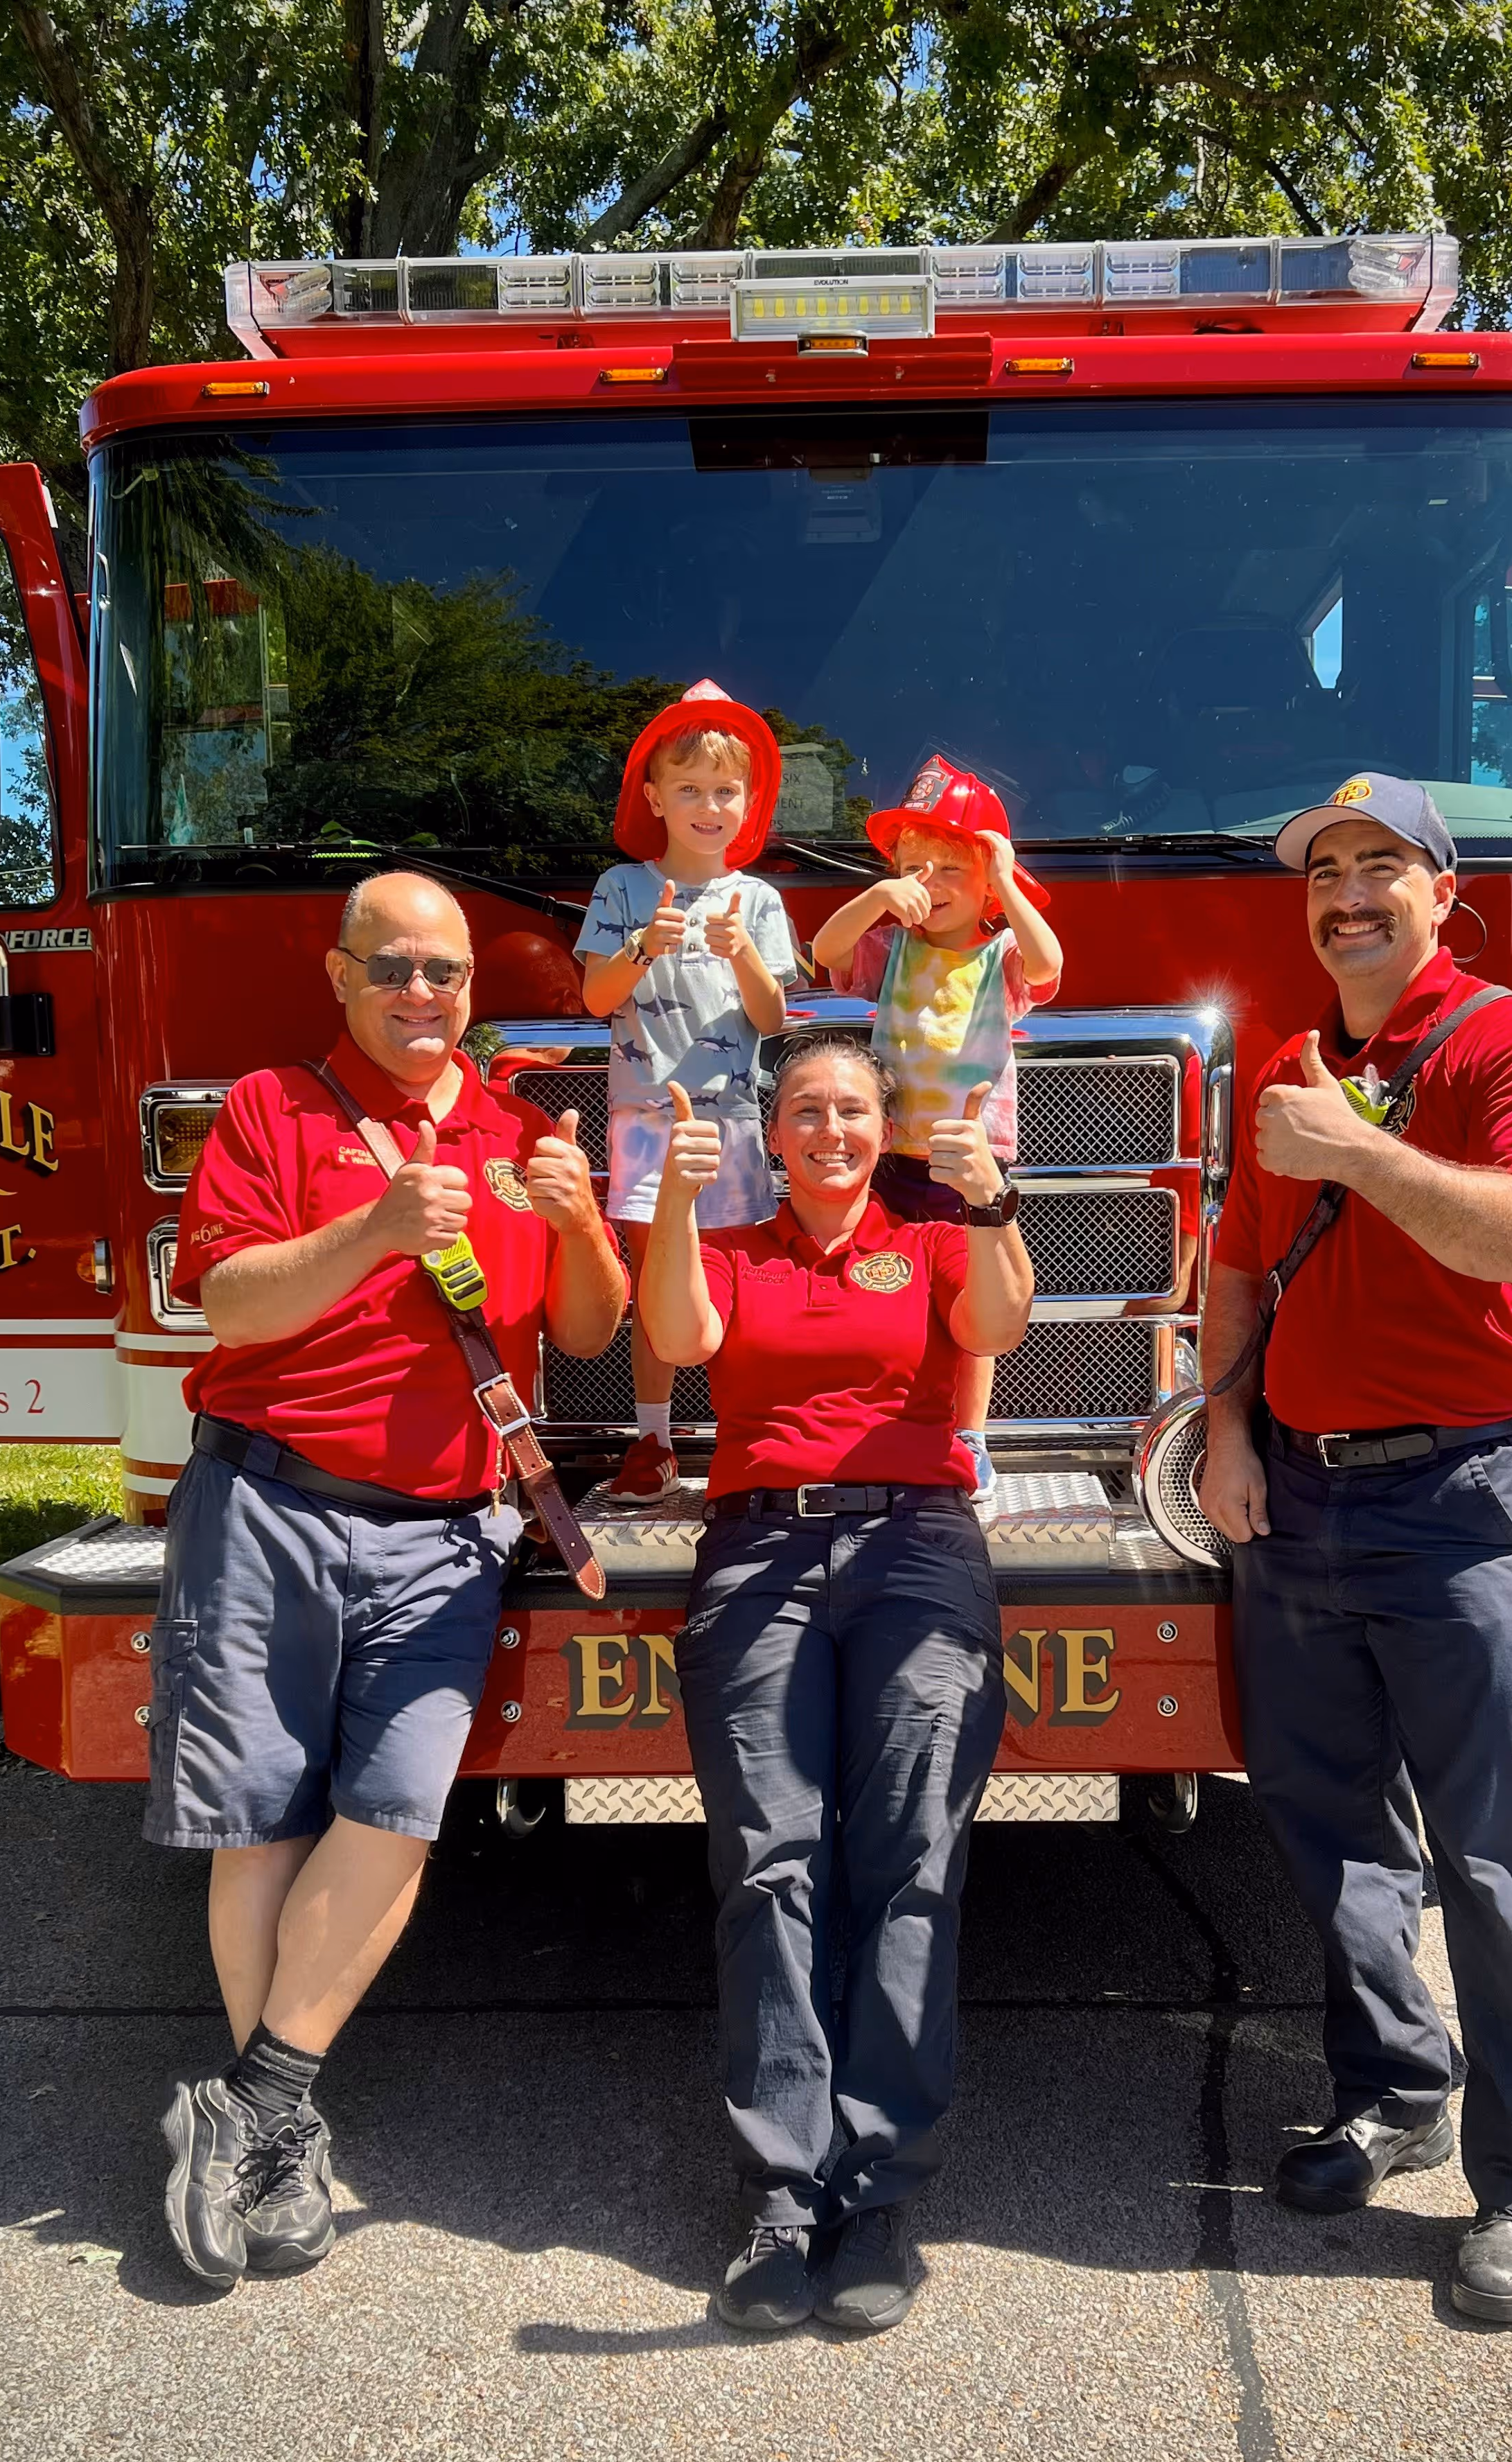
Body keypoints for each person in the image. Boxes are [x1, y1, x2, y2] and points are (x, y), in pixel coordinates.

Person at [150, 871, 628, 2291]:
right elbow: (221, 1298)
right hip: (270, 1504)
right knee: (263, 1824)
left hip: (447, 1535)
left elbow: (590, 1324)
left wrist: (584, 1212)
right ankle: (284, 2137)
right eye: (397, 969)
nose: (425, 995)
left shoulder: (517, 1133)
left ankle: (249, 2103)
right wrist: (373, 1231)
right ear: (340, 974)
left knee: (397, 1819)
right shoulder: (268, 1110)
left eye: (449, 972)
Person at [1197, 774, 1512, 2328]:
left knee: (1499, 1859)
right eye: (1326, 873)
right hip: (1296, 1499)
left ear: (1445, 892)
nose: (1349, 894)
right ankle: (1393, 2091)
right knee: (1334, 1829)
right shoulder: (1291, 1066)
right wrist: (1230, 1438)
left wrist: (1356, 1154)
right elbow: (1239, 1265)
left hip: (1460, 1506)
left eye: (1382, 868)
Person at [639, 1039, 1033, 2333]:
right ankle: (781, 2192)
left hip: (915, 1543)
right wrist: (680, 1200)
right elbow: (677, 1334)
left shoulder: (925, 1240)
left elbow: (996, 1324)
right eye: (804, 1110)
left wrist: (985, 1202)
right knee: (770, 1860)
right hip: (759, 1546)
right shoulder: (741, 1245)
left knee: (909, 1855)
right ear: (772, 1129)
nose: (829, 1130)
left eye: (852, 1110)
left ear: (882, 1126)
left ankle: (879, 2191)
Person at [812, 756, 1062, 1506]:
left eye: (954, 867)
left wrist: (1011, 882)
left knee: (972, 1301)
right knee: (888, 1293)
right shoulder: (888, 951)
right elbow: (824, 951)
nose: (931, 883)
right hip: (886, 1162)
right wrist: (876, 897)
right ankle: (888, 1422)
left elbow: (1050, 965)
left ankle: (970, 1435)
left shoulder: (1002, 959)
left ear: (986, 883)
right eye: (914, 866)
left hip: (968, 1165)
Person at [577, 679, 800, 1498]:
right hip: (645, 1122)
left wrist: (742, 952)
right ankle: (654, 1439)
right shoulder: (620, 888)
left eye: (725, 790)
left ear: (749, 802)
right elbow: (597, 998)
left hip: (736, 1122)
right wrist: (641, 947)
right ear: (654, 797)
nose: (710, 805)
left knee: (738, 1274)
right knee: (656, 1276)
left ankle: (744, 1431)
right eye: (690, 789)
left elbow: (774, 1016)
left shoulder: (763, 899)